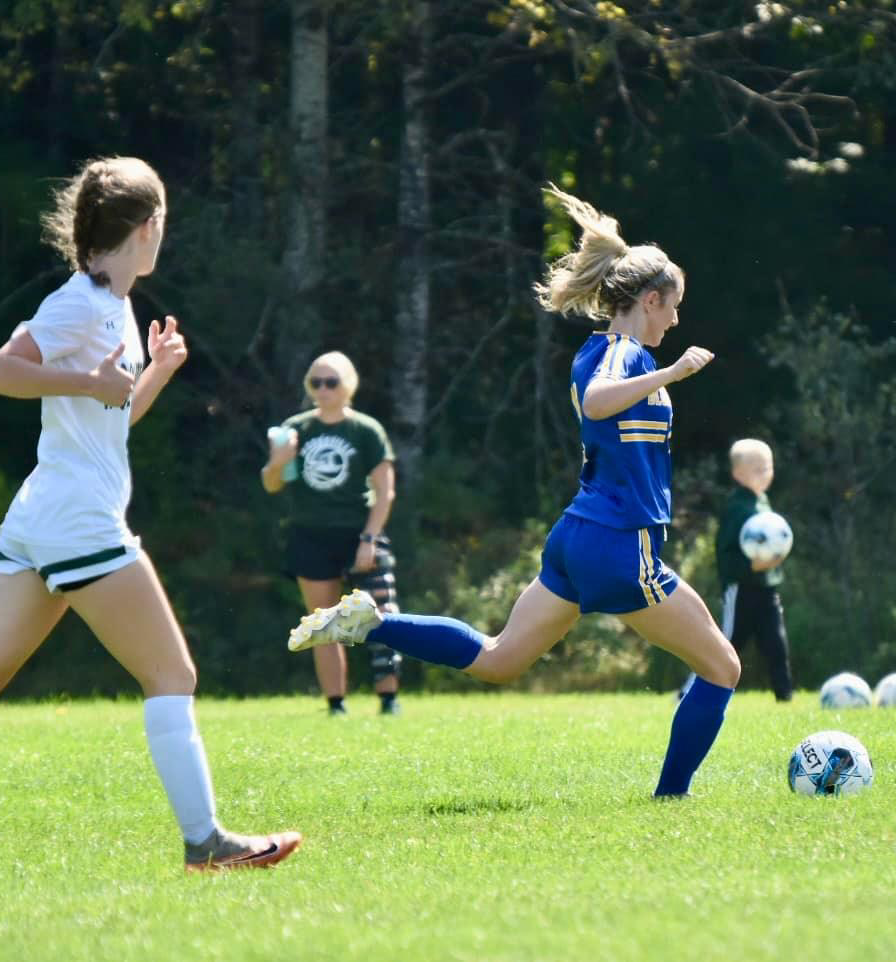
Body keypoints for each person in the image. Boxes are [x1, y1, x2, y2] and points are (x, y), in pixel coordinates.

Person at [0, 156, 301, 872]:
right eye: (163, 227)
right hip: (77, 521)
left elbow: (107, 417)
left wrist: (153, 374)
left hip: (48, 514)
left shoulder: (113, 303)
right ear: (147, 227)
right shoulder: (80, 303)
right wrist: (85, 377)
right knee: (172, 677)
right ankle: (205, 843)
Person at [287, 186, 741, 797]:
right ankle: (671, 798)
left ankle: (373, 624)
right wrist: (674, 371)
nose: (677, 321)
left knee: (499, 660)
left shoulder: (610, 353)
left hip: (580, 537)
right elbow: (600, 404)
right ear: (651, 300)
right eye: (673, 308)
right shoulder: (621, 353)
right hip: (616, 544)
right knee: (722, 668)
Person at [261, 352, 402, 716]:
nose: (322, 390)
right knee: (323, 623)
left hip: (359, 533)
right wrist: (277, 462)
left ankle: (388, 699)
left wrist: (369, 539)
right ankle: (336, 704)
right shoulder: (296, 429)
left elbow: (385, 490)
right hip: (310, 535)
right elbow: (272, 484)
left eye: (331, 382)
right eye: (316, 383)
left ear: (348, 386)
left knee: (380, 615)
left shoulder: (365, 430)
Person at [712, 439, 793, 701]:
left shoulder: (763, 502)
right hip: (741, 591)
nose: (765, 473)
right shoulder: (736, 507)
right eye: (757, 469)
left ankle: (785, 697)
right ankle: (690, 691)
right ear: (738, 474)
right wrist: (750, 566)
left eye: (767, 467)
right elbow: (725, 555)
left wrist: (773, 560)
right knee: (726, 648)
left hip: (767, 589)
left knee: (776, 644)